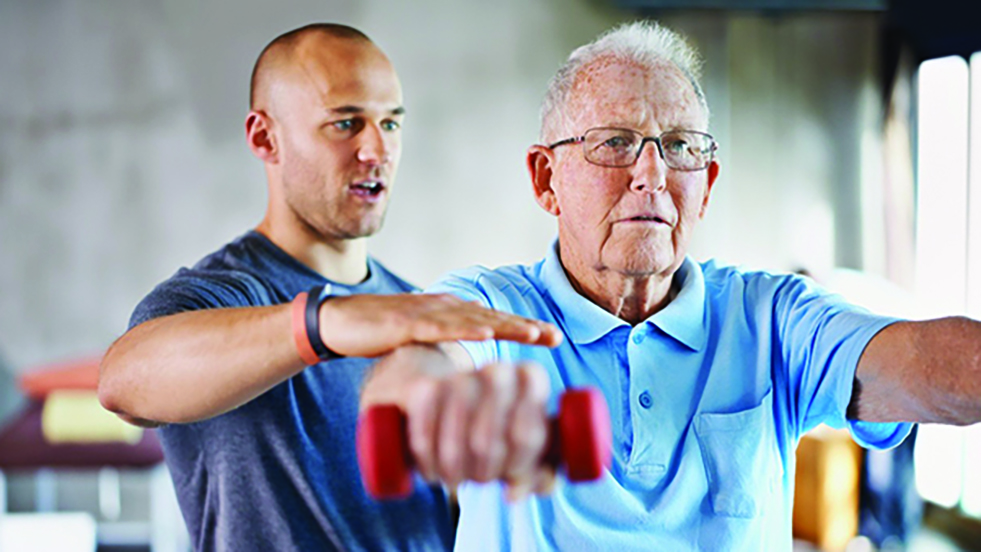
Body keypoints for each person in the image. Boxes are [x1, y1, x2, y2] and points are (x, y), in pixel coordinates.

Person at [361, 20, 981, 551]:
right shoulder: (496, 306)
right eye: (616, 143)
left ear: (706, 183)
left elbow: (924, 364)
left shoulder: (771, 316)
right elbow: (419, 361)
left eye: (680, 146)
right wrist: (427, 401)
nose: (653, 174)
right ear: (546, 178)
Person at [97, 23, 560, 552]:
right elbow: (124, 381)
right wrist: (322, 322)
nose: (376, 149)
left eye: (390, 122)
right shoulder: (217, 297)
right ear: (263, 137)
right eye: (345, 123)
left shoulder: (417, 315)